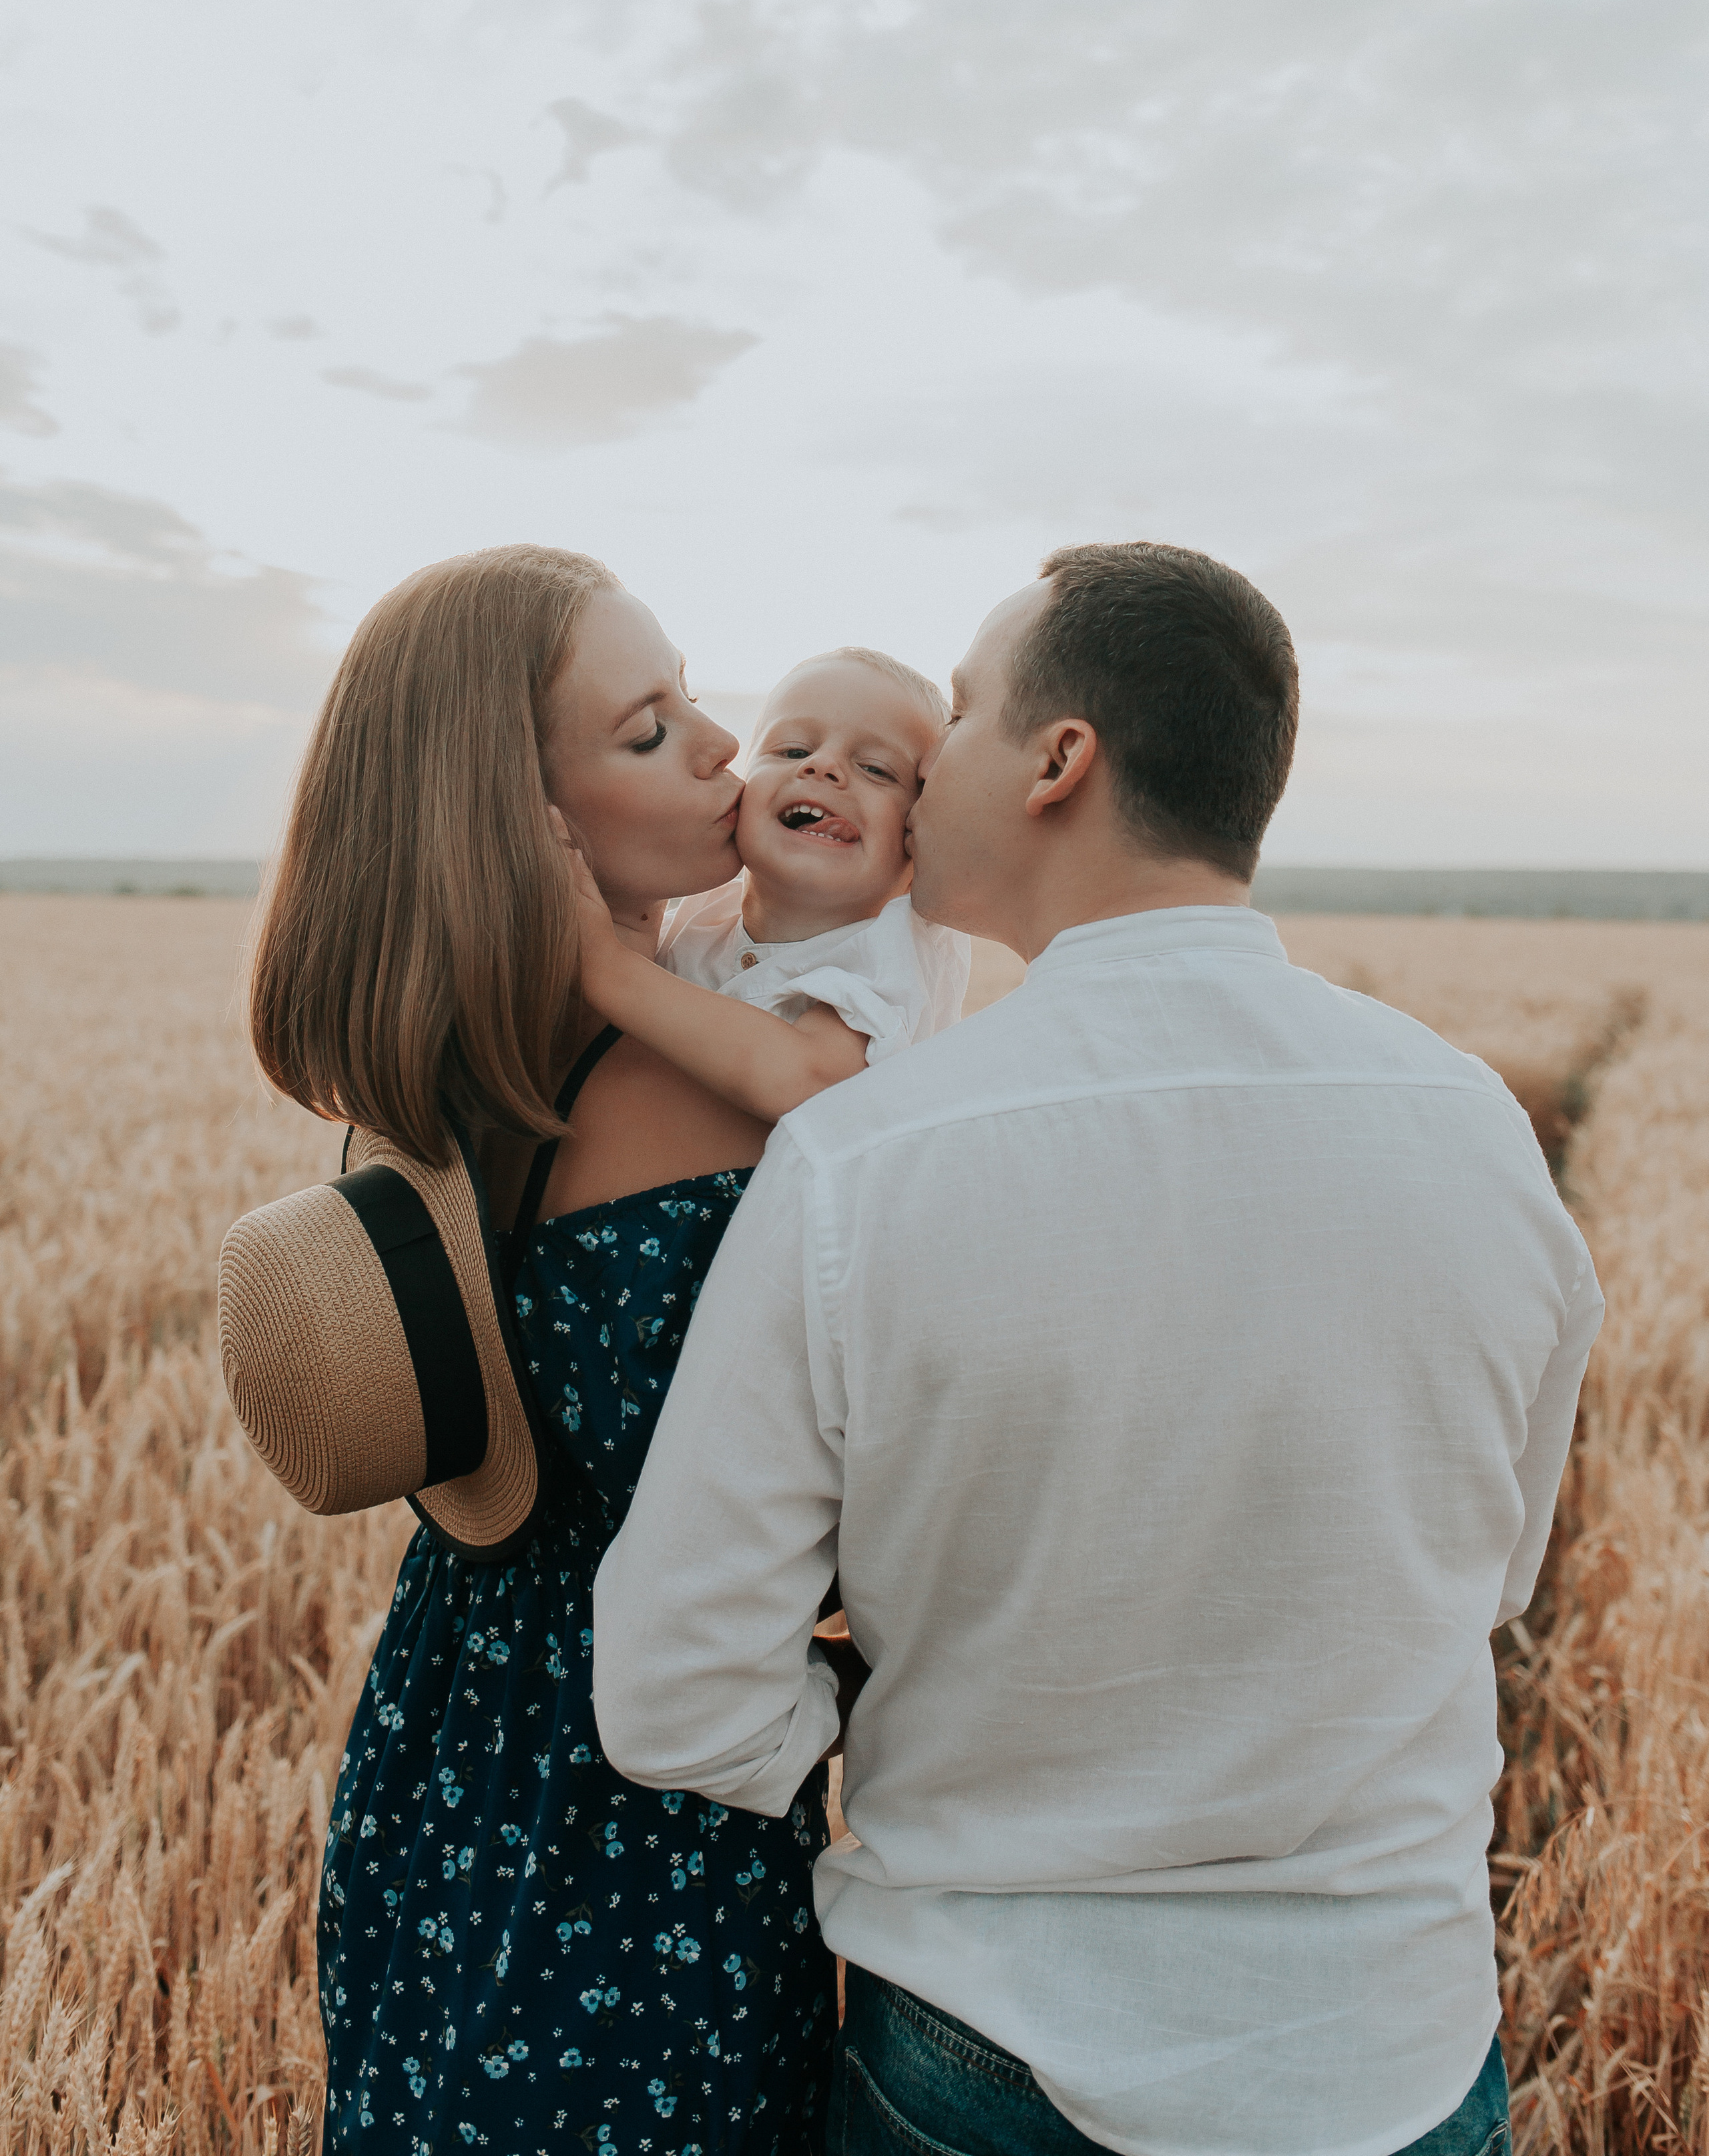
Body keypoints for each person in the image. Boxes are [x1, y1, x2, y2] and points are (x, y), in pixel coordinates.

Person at [591, 540, 1604, 2156]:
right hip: (1390, 2057)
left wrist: (891, 1707)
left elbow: (672, 1693)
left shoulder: (866, 1159)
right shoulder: (1472, 1129)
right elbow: (1483, 1570)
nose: (919, 780)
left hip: (984, 2051)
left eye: (966, 714)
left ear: (1059, 761)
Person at [248, 547, 836, 2154]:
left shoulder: (462, 1059)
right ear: (528, 823)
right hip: (630, 1800)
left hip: (453, 1739)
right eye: (648, 731)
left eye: (693, 699)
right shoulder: (695, 1089)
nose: (724, 748)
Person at [567, 646, 970, 1121]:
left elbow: (806, 1081)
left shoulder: (888, 954)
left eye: (876, 769)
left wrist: (604, 965)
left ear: (916, 839)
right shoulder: (704, 912)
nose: (822, 767)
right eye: (793, 751)